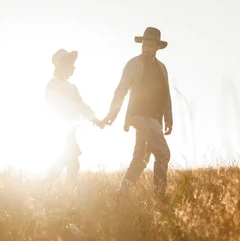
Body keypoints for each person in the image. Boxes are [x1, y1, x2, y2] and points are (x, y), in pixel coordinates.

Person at [100, 27, 173, 199]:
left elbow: (166, 94)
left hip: (155, 118)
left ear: (157, 47)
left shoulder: (162, 68)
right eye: (144, 45)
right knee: (163, 154)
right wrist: (112, 114)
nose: (146, 48)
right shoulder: (133, 64)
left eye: (150, 45)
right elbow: (121, 90)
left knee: (141, 160)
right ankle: (160, 199)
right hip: (139, 116)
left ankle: (121, 194)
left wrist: (168, 118)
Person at [44, 49, 103, 189]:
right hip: (61, 129)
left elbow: (81, 105)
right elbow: (56, 106)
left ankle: (48, 188)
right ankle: (49, 188)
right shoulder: (52, 85)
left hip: (70, 130)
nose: (74, 67)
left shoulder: (72, 87)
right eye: (71, 64)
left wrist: (94, 119)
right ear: (61, 66)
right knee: (70, 161)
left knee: (68, 160)